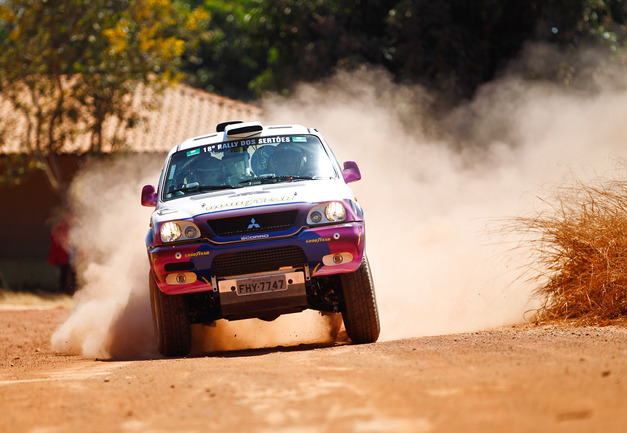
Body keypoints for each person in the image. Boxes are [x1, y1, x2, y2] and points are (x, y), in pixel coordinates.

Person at [48, 216, 76, 295]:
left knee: (73, 275)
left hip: (73, 257)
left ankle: (72, 292)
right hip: (64, 257)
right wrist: (53, 258)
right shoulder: (61, 226)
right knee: (63, 274)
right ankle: (62, 292)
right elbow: (55, 242)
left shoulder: (77, 226)